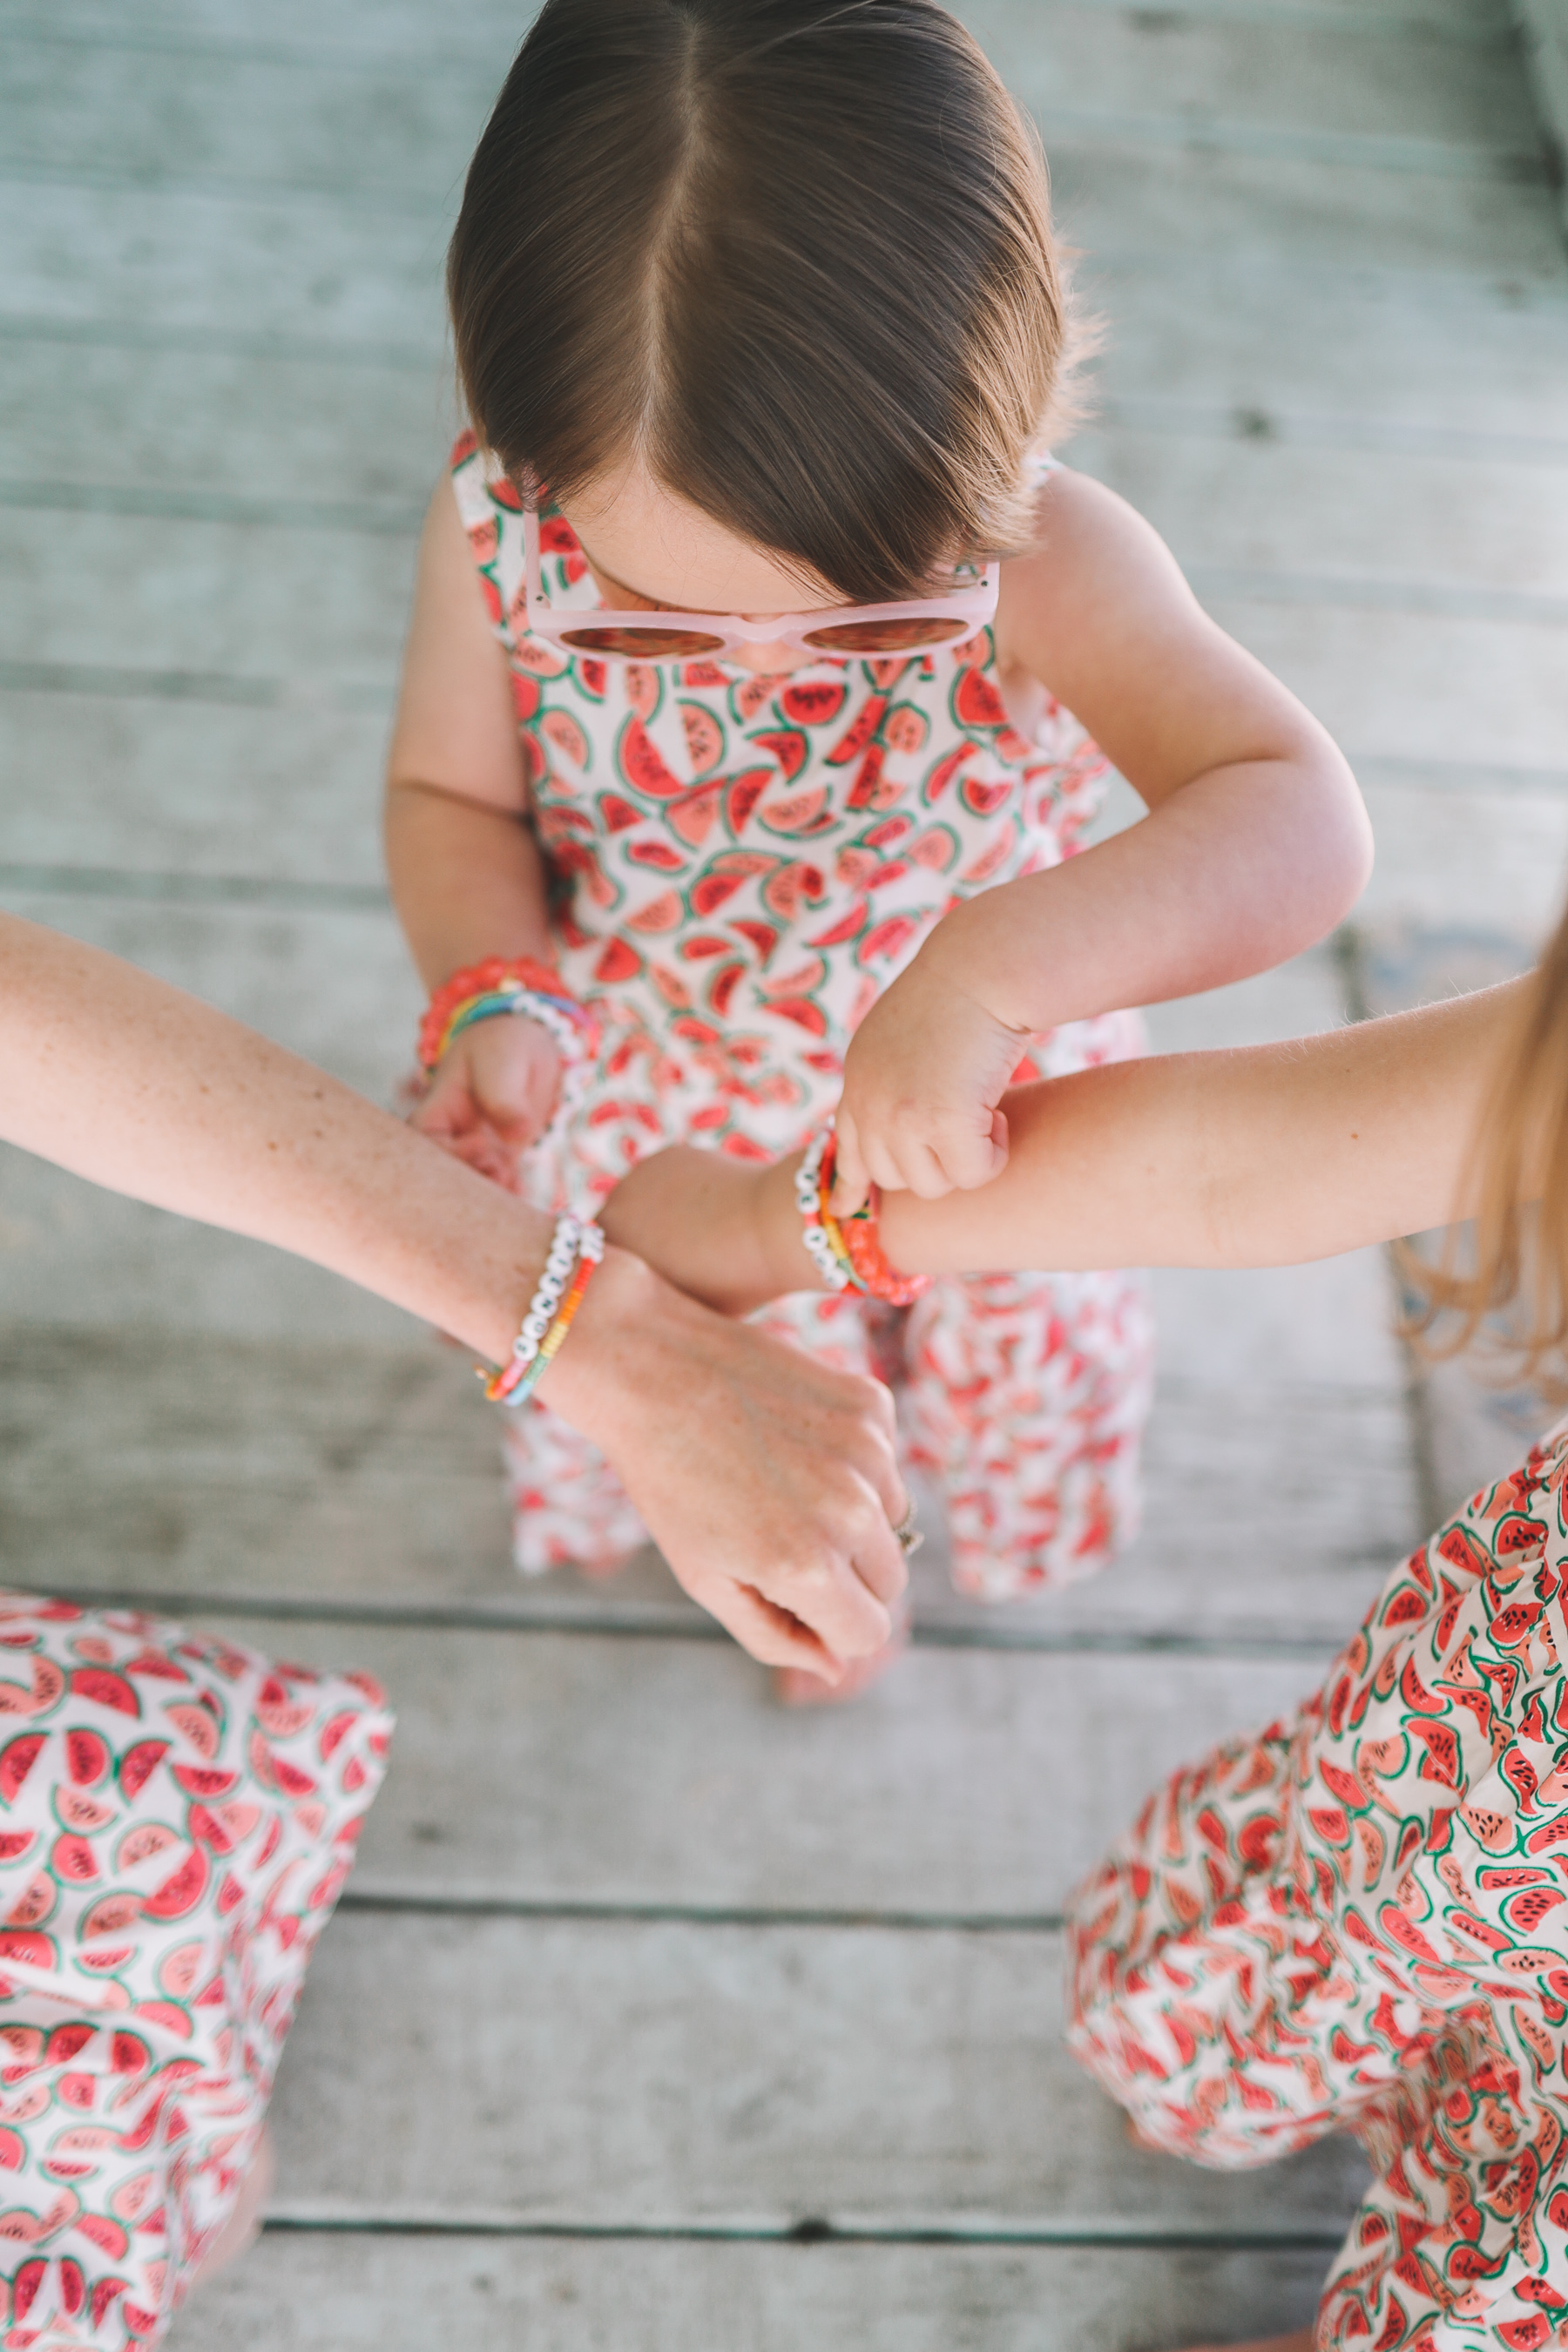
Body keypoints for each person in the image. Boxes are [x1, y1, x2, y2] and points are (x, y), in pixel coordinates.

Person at [385, 0, 1372, 1693]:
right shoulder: (500, 527)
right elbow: (451, 802)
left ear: (990, 449)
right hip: (660, 1093)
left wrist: (990, 976)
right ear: (538, 459)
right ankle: (799, 1575)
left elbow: (1293, 812)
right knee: (726, 1404)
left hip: (987, 1131)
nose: (760, 669)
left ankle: (904, 1543)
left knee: (984, 1370)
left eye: (861, 628)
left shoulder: (1044, 555)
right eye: (654, 629)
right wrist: (494, 998)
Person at [600, 899, 1568, 2349]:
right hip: (1465, 1774)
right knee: (1366, 1931)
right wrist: (768, 1225)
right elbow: (1238, 1163)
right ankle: (1313, 2071)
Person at [0, 911, 909, 1687]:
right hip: (614, 1100)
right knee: (647, 1436)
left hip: (898, 1164)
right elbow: (452, 789)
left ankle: (859, 1569)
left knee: (834, 1459)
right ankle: (613, 1514)